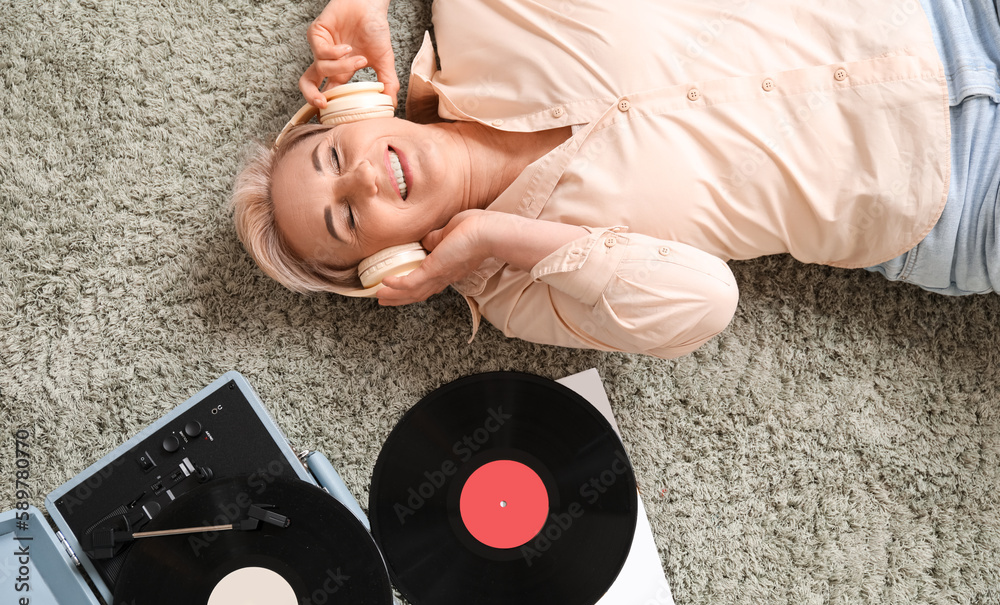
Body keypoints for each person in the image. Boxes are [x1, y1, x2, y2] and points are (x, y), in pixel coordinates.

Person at [232, 0, 1000, 359]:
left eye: (334, 157)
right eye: (346, 220)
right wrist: (498, 235)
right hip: (955, 204)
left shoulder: (477, 17)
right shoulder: (516, 288)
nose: (364, 179)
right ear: (382, 267)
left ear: (355, 107)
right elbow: (705, 302)